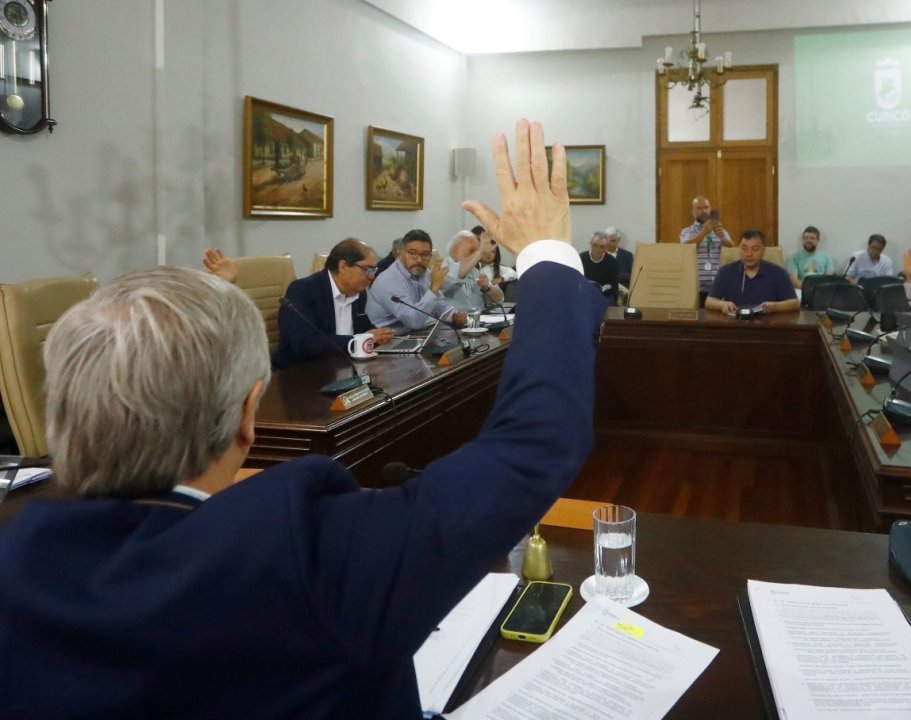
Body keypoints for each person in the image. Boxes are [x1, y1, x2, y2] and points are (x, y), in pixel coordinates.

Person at [0, 118, 608, 718]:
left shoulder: (19, 555)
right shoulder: (302, 557)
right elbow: (532, 445)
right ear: (248, 415)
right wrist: (548, 254)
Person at [272, 238, 396, 369]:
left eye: (373, 270)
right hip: (302, 371)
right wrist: (357, 340)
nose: (372, 277)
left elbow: (363, 328)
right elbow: (304, 343)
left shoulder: (358, 292)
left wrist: (378, 335)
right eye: (367, 270)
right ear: (343, 266)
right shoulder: (303, 290)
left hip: (346, 367)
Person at [366, 228, 469, 336]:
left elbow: (440, 305)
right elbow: (414, 321)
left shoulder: (424, 274)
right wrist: (433, 289)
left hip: (415, 334)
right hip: (387, 340)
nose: (419, 260)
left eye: (425, 254)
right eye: (413, 253)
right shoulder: (388, 280)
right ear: (401, 254)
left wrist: (453, 316)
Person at [704, 229, 799, 314]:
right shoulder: (725, 271)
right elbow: (709, 301)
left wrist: (775, 307)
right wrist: (722, 304)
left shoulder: (779, 273)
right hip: (734, 323)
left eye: (755, 249)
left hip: (767, 324)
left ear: (763, 251)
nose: (749, 254)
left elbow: (794, 303)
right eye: (744, 249)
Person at [679, 195, 734, 307]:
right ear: (692, 211)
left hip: (717, 287)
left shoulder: (719, 229)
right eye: (699, 208)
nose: (703, 211)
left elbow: (732, 247)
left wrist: (722, 237)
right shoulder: (687, 231)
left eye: (706, 207)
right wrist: (704, 232)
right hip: (695, 287)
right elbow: (686, 248)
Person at [443, 229, 507, 312]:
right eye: (471, 251)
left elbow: (500, 299)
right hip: (456, 319)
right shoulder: (443, 268)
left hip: (481, 317)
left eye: (476, 251)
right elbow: (458, 272)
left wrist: (487, 287)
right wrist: (480, 252)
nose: (476, 256)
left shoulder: (474, 271)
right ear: (455, 250)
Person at [788, 225, 834, 289]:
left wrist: (818, 290)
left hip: (821, 290)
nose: (809, 240)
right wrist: (808, 289)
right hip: (802, 289)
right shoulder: (795, 257)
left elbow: (829, 278)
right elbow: (794, 280)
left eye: (812, 238)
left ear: (818, 240)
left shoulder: (826, 257)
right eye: (806, 238)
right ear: (802, 239)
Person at [581, 230, 619, 304]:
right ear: (590, 244)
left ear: (607, 247)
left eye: (602, 247)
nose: (597, 249)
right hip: (585, 293)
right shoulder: (581, 258)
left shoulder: (612, 262)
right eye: (595, 245)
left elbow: (614, 288)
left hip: (604, 295)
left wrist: (607, 289)